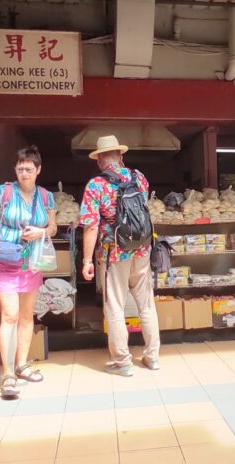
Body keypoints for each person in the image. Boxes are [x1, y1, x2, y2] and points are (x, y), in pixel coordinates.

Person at [0, 146, 57, 398]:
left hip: (31, 263)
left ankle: (22, 364)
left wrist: (42, 232)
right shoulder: (3, 192)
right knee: (9, 315)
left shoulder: (46, 197)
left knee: (26, 316)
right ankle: (8, 372)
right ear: (15, 169)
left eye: (29, 169)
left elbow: (53, 227)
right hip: (4, 261)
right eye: (20, 168)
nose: (24, 173)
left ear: (38, 170)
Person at [80, 135, 160, 377]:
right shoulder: (139, 178)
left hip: (114, 253)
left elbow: (91, 226)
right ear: (121, 157)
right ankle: (152, 357)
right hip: (143, 250)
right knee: (146, 303)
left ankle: (123, 362)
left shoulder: (96, 185)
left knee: (114, 306)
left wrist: (86, 261)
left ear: (99, 160)